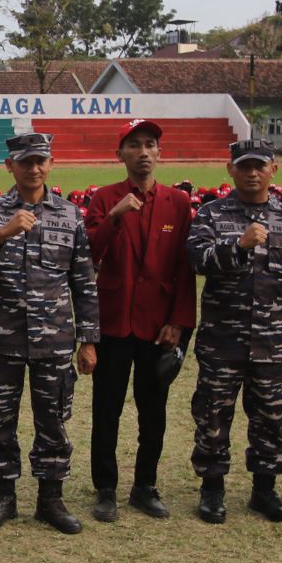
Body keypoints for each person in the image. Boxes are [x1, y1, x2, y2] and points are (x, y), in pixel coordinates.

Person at [0, 131, 100, 534]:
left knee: (53, 420)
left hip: (54, 338)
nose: (34, 169)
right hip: (3, 338)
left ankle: (50, 500)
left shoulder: (70, 215)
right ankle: (2, 497)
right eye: (25, 162)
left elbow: (84, 281)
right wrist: (2, 233)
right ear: (11, 166)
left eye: (41, 161)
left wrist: (89, 340)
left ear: (51, 164)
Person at [186, 139, 282, 524]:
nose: (253, 173)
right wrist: (238, 246)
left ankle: (265, 490)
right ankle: (212, 488)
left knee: (270, 417)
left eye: (260, 165)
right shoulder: (211, 214)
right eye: (244, 166)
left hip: (271, 340)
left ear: (274, 169)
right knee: (213, 415)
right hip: (222, 340)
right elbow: (197, 260)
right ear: (231, 170)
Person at [81, 119, 197, 522]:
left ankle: (145, 486)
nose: (143, 152)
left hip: (157, 325)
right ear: (121, 154)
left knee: (153, 411)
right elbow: (89, 253)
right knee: (106, 409)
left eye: (150, 144)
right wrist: (113, 217)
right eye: (134, 145)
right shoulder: (104, 198)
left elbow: (184, 267)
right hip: (113, 322)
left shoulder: (177, 202)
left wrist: (178, 322)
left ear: (159, 153)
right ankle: (106, 488)